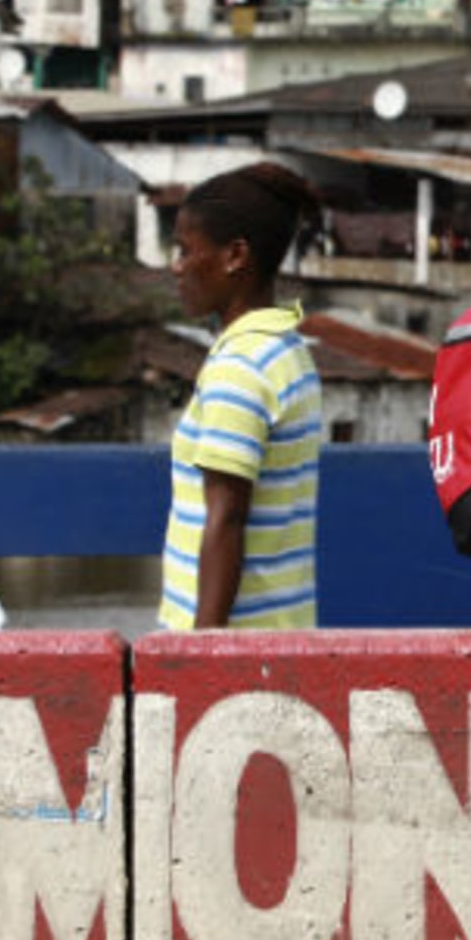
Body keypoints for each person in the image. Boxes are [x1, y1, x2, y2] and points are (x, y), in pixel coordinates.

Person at [161, 163, 323, 630]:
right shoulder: (287, 349)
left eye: (186, 250)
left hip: (235, 650)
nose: (176, 267)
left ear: (234, 256)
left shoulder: (240, 368)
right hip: (280, 635)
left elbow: (226, 518)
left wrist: (202, 652)